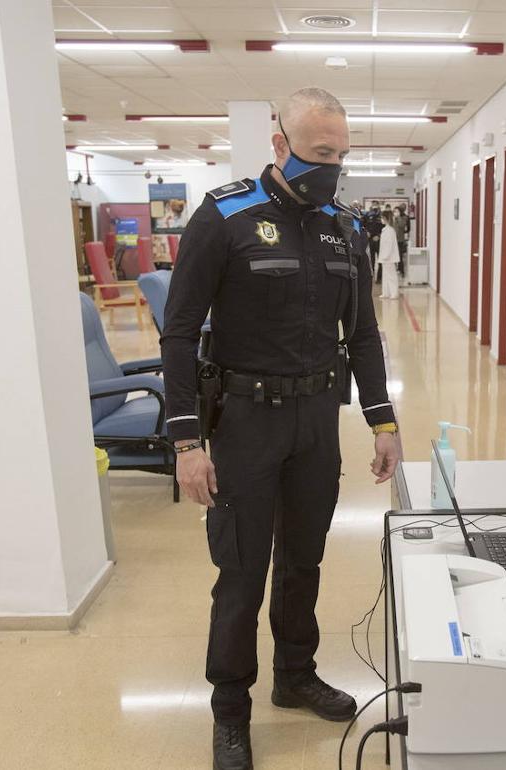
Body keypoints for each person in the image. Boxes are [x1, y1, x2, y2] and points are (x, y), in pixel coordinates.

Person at [160, 87, 400, 770]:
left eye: (341, 155)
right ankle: (230, 710)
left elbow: (362, 334)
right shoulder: (225, 216)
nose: (332, 168)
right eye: (320, 154)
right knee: (240, 573)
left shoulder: (344, 226)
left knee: (304, 560)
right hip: (244, 425)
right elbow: (178, 334)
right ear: (279, 145)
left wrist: (381, 418)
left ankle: (295, 675)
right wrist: (186, 443)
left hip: (316, 423)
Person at [377, 209, 400, 299]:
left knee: (391, 276)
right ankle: (386, 293)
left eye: (382, 218)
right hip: (384, 257)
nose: (381, 219)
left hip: (389, 257)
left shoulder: (390, 230)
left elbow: (389, 245)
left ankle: (394, 293)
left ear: (386, 218)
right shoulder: (385, 229)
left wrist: (385, 256)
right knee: (385, 276)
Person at [363, 204, 383, 282]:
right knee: (371, 259)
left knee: (380, 259)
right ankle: (371, 276)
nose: (375, 207)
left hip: (379, 240)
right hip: (370, 240)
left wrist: (378, 235)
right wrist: (366, 232)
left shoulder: (381, 216)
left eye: (376, 205)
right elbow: (363, 225)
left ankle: (379, 278)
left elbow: (384, 227)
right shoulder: (367, 215)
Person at [393, 203, 410, 276]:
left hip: (400, 240)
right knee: (393, 256)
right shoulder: (392, 218)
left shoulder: (403, 218)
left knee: (400, 256)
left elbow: (402, 226)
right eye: (394, 211)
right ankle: (395, 269)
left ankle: (402, 271)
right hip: (393, 240)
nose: (395, 213)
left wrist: (398, 217)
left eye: (397, 211)